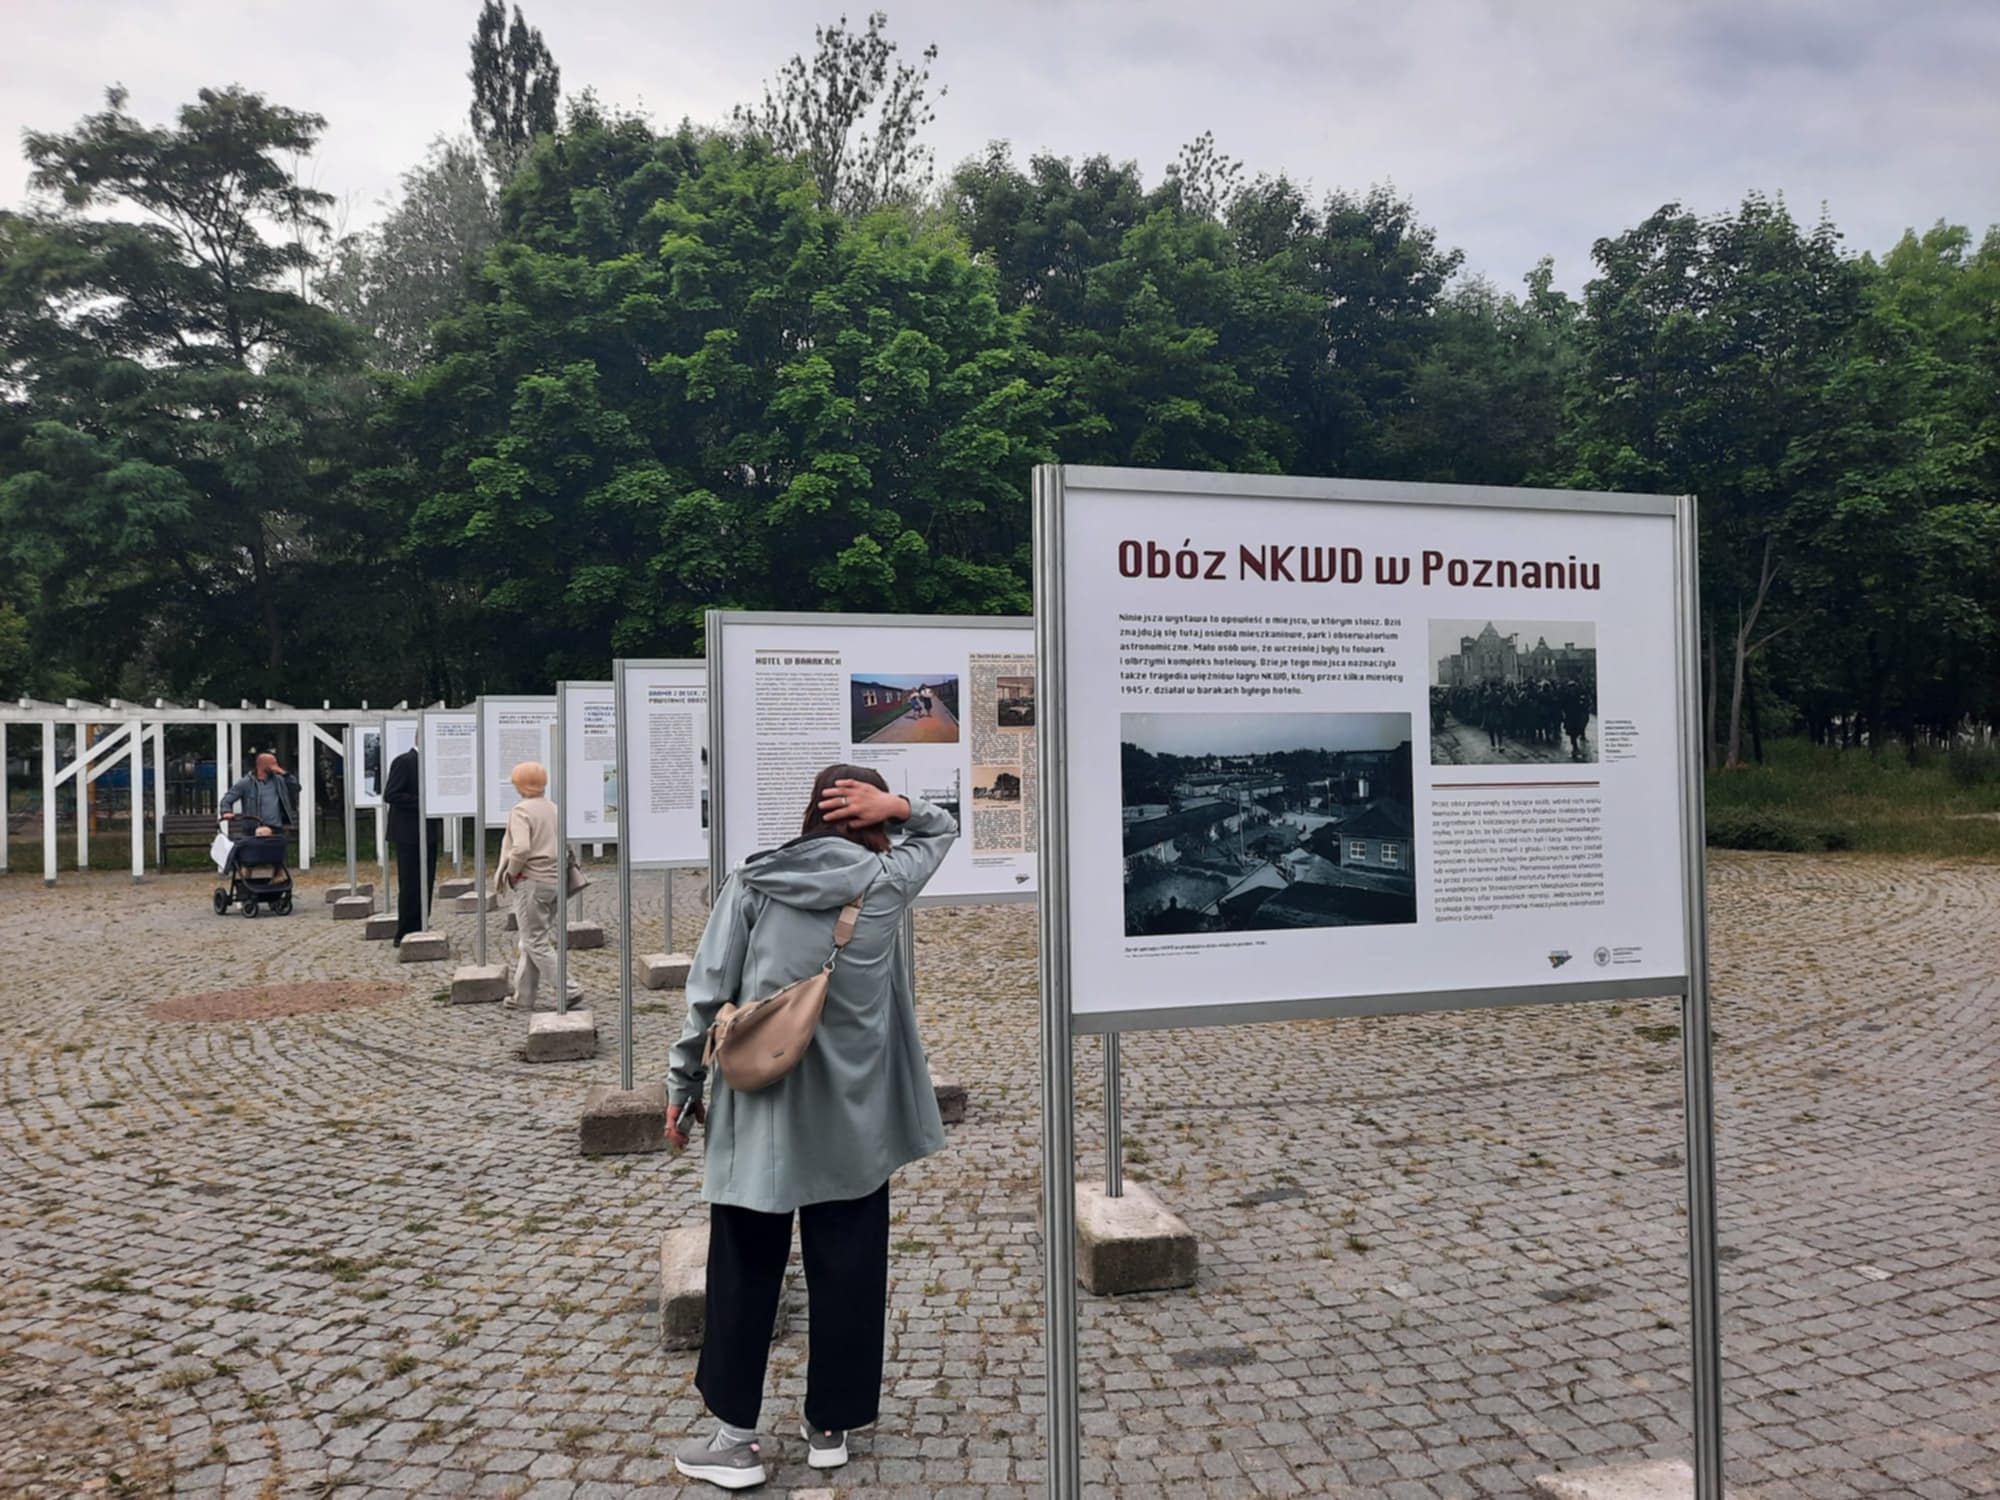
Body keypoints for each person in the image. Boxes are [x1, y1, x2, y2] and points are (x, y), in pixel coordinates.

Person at [665, 766, 956, 1490]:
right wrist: (899, 806)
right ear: (871, 815)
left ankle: (735, 1438)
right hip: (854, 1119)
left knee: (744, 1266)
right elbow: (942, 826)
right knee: (850, 1265)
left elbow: (708, 993)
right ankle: (831, 1427)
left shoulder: (756, 882)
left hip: (759, 1110)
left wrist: (682, 1085)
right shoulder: (886, 882)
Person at [493, 761, 580, 1009]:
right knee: (532, 938)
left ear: (520, 784)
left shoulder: (521, 811)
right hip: (554, 881)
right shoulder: (553, 808)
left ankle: (569, 989)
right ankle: (524, 997)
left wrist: (511, 873)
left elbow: (521, 848)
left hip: (531, 881)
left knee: (534, 941)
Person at [381, 743, 441, 944]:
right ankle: (405, 930)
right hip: (408, 833)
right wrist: (423, 801)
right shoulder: (404, 762)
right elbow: (391, 794)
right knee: (410, 883)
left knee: (427, 880)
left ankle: (422, 921)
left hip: (429, 832)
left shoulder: (432, 764)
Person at [218, 753, 297, 836]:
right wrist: (226, 811)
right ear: (263, 765)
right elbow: (226, 800)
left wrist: (284, 773)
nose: (276, 766)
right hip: (254, 829)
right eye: (273, 764)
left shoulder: (279, 780)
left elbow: (296, 788)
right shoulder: (246, 783)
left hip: (276, 828)